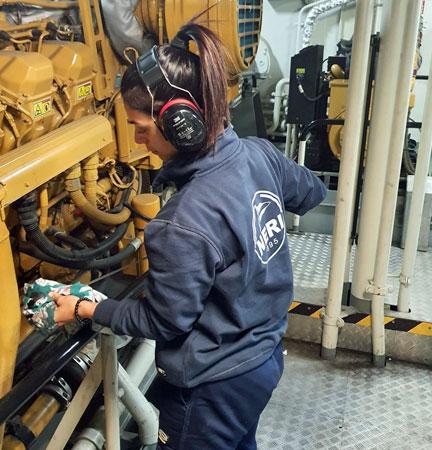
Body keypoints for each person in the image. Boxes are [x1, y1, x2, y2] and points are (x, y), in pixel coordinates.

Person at [51, 23, 326, 449]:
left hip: (210, 387)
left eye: (141, 127)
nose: (140, 141)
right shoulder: (259, 154)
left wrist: (88, 310)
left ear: (181, 123)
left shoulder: (180, 223)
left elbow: (162, 321)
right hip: (264, 358)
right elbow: (312, 191)